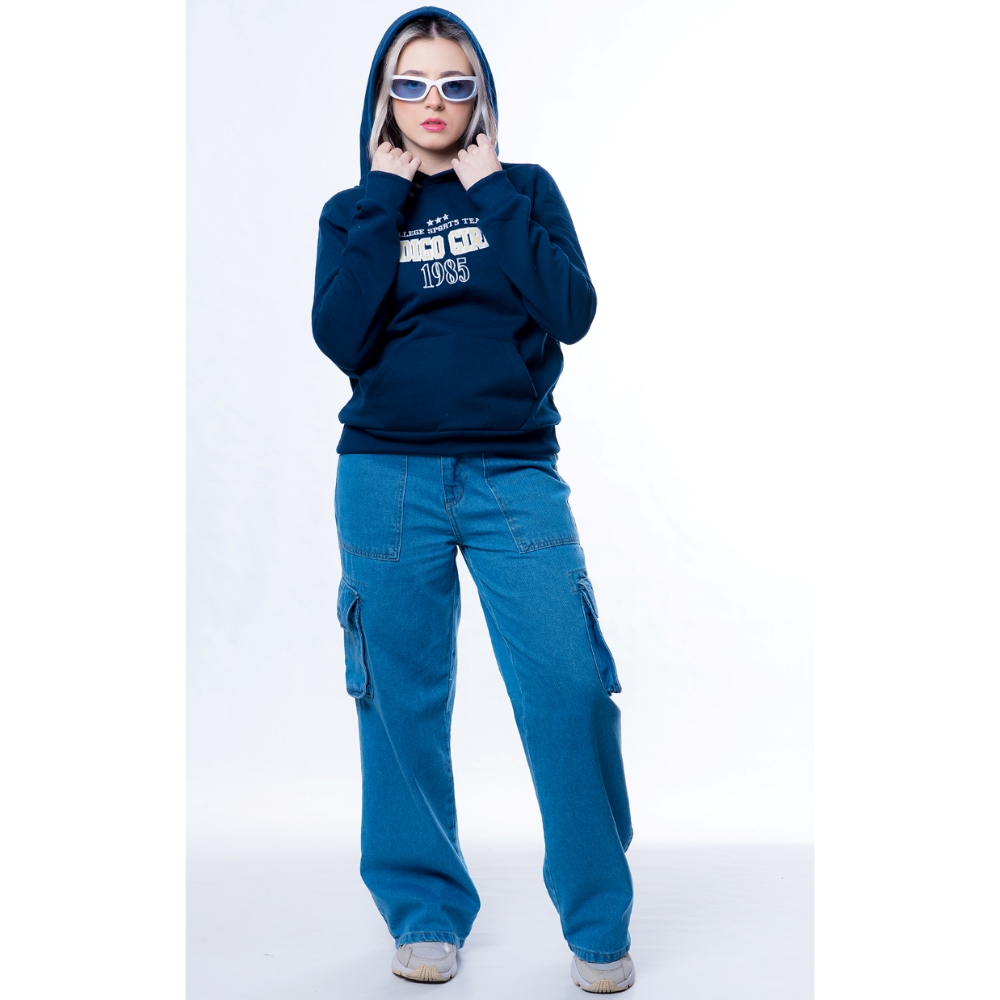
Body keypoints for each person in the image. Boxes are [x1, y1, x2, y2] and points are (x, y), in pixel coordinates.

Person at [311, 7, 634, 992]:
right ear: (383, 98)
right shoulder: (353, 210)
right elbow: (340, 335)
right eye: (410, 84)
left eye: (456, 84)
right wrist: (384, 196)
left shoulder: (524, 191)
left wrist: (489, 189)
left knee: (569, 684)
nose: (434, 102)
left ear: (481, 95)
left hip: (512, 476)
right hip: (386, 479)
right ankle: (424, 911)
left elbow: (570, 311)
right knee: (399, 705)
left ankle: (597, 919)